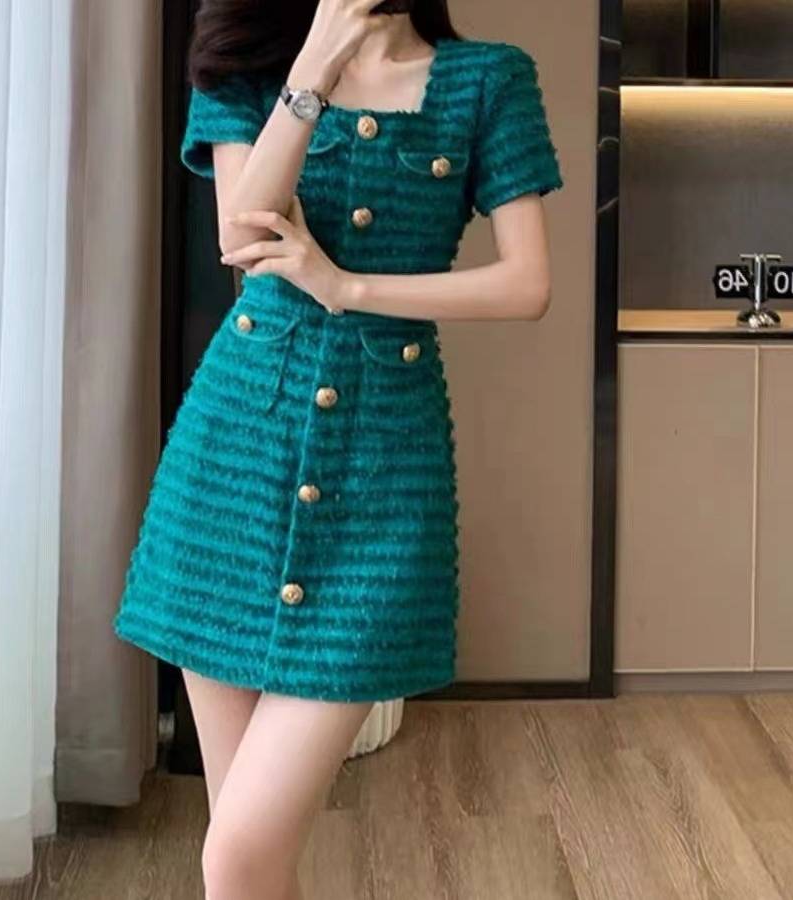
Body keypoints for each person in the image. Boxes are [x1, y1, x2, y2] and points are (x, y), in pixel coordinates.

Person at [113, 0, 563, 896]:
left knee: (238, 855)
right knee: (248, 855)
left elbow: (528, 284)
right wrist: (315, 64)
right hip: (232, 468)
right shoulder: (246, 65)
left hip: (383, 472)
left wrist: (346, 285)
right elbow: (241, 235)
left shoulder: (487, 80)